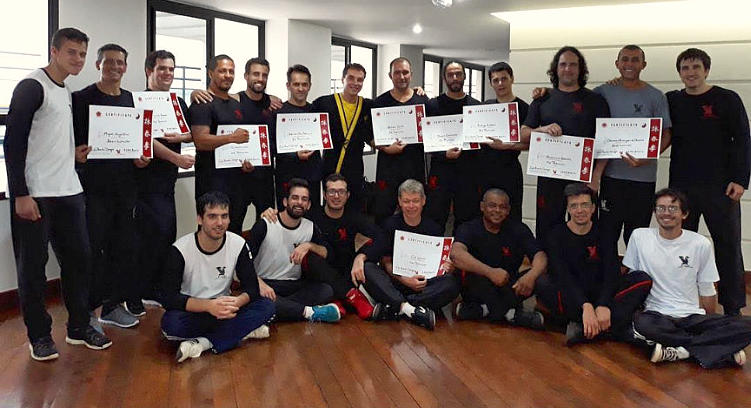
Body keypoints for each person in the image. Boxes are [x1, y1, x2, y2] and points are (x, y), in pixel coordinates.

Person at [3, 27, 112, 361]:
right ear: (54, 51)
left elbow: (47, 141)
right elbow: (13, 142)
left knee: (79, 262)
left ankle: (78, 327)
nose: (78, 59)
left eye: (82, 54)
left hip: (69, 191)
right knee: (33, 271)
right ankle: (39, 336)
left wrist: (72, 155)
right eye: (71, 52)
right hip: (36, 195)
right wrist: (21, 194)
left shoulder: (65, 90)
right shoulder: (32, 86)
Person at [666, 48, 750, 317]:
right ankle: (683, 301)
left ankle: (733, 307)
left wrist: (740, 180)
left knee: (728, 246)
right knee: (682, 246)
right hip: (682, 188)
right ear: (679, 73)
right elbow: (653, 124)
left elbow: (743, 140)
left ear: (706, 70)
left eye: (696, 67)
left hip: (721, 187)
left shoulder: (727, 99)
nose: (690, 73)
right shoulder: (672, 100)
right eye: (685, 68)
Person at [626, 189, 751, 368]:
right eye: (661, 208)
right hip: (657, 316)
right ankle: (716, 349)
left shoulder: (700, 243)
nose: (666, 213)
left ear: (684, 214)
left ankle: (682, 351)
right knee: (641, 325)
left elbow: (707, 288)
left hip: (692, 316)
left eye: (673, 208)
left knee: (746, 325)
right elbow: (634, 279)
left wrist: (708, 322)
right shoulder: (639, 237)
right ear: (654, 212)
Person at [73, 43, 149, 329]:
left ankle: (112, 306)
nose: (115, 67)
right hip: (93, 188)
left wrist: (141, 157)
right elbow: (71, 141)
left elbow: (139, 141)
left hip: (125, 188)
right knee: (94, 249)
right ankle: (89, 312)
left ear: (126, 67)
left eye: (120, 62)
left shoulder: (131, 100)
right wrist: (75, 153)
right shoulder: (82, 98)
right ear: (98, 65)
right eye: (109, 62)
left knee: (123, 247)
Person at [160, 191, 275, 363]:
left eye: (224, 216)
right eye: (212, 216)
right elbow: (169, 298)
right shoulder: (180, 250)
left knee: (267, 306)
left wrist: (237, 302)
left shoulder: (238, 244)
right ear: (200, 219)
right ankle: (242, 331)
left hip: (227, 308)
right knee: (171, 324)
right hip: (195, 310)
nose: (220, 223)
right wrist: (208, 306)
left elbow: (251, 288)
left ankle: (203, 343)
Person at [535, 184, 652, 345]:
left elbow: (611, 272)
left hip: (600, 294)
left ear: (593, 208)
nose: (580, 210)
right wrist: (586, 306)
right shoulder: (556, 235)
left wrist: (603, 304)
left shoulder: (605, 232)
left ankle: (586, 328)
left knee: (642, 279)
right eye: (574, 206)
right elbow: (563, 277)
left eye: (585, 205)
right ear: (568, 209)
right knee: (542, 282)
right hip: (573, 296)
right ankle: (610, 328)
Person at [260, 173, 382, 319]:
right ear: (324, 195)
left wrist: (361, 257)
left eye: (341, 192)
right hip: (316, 273)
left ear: (347, 195)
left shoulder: (354, 216)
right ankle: (351, 297)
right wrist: (269, 213)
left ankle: (282, 307)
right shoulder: (312, 216)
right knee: (311, 258)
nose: (336, 196)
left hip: (344, 272)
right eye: (332, 191)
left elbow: (382, 237)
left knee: (328, 288)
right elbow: (290, 214)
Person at [521, 46, 610, 244]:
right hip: (549, 178)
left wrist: (596, 177)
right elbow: (523, 133)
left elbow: (606, 142)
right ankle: (547, 263)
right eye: (563, 64)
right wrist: (542, 130)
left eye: (573, 65)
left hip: (583, 178)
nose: (567, 69)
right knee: (546, 228)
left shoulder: (595, 101)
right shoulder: (542, 99)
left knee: (584, 229)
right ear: (555, 69)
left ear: (580, 69)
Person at [591, 45, 672, 249]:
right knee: (607, 234)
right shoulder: (603, 92)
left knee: (637, 236)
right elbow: (575, 98)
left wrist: (649, 156)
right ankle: (608, 271)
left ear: (643, 65)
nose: (629, 64)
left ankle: (635, 271)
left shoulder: (656, 96)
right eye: (625, 59)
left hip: (643, 179)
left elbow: (666, 134)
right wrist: (547, 92)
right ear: (617, 64)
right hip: (611, 177)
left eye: (635, 60)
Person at [133, 50, 195, 313]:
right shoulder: (137, 100)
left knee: (167, 232)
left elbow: (191, 133)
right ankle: (146, 290)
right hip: (145, 181)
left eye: (171, 69)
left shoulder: (177, 101)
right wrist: (176, 157)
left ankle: (159, 286)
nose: (167, 73)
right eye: (162, 69)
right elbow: (142, 135)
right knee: (151, 234)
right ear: (149, 71)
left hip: (168, 181)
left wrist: (180, 139)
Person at [362, 179, 461, 330]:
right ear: (399, 202)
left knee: (451, 283)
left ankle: (398, 306)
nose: (411, 206)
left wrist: (447, 267)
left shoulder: (434, 228)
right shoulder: (389, 225)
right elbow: (386, 261)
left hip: (424, 285)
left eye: (415, 201)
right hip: (397, 281)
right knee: (368, 268)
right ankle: (412, 309)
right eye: (406, 201)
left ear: (423, 201)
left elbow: (440, 263)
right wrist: (404, 279)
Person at [450, 188, 547, 330]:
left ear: (508, 210)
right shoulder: (468, 227)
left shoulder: (519, 229)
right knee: (463, 273)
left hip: (509, 285)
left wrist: (531, 276)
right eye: (492, 206)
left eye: (502, 207)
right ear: (482, 207)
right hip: (479, 283)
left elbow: (540, 255)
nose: (497, 210)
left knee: (541, 278)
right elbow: (456, 254)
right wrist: (490, 272)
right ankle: (510, 313)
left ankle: (483, 310)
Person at [248, 178, 341, 322]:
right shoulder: (266, 224)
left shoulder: (310, 227)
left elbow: (328, 253)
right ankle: (308, 312)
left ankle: (279, 311)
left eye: (304, 199)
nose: (299, 202)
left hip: (293, 285)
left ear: (308, 205)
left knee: (326, 290)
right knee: (257, 296)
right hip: (266, 283)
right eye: (295, 198)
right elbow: (244, 262)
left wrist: (309, 245)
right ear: (285, 202)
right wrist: (259, 284)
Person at [189, 54, 254, 235]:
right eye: (222, 71)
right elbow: (200, 141)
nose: (227, 75)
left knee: (234, 230)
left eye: (231, 71)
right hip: (211, 183)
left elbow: (242, 141)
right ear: (210, 73)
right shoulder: (202, 102)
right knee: (210, 233)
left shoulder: (235, 104)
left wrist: (246, 162)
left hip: (237, 183)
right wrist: (231, 138)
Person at [371, 57, 430, 225]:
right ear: (390, 75)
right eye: (397, 73)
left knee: (414, 210)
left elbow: (431, 131)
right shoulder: (379, 102)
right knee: (383, 212)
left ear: (411, 74)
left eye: (405, 72)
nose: (402, 76)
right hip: (387, 168)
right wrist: (385, 148)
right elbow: (370, 137)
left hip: (414, 165)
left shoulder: (423, 101)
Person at [424, 61, 482, 232]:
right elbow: (426, 141)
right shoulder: (433, 105)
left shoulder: (475, 106)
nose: (455, 78)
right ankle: (434, 248)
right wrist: (444, 154)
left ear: (464, 76)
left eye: (458, 74)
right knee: (435, 216)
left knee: (466, 217)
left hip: (468, 171)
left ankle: (461, 249)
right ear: (444, 78)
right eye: (450, 75)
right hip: (441, 170)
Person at [312, 63, 374, 212]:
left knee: (354, 207)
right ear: (342, 79)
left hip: (355, 167)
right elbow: (303, 115)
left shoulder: (367, 106)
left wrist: (416, 92)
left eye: (360, 80)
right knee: (330, 207)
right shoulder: (324, 103)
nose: (355, 83)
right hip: (331, 164)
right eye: (351, 78)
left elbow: (390, 108)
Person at [480, 62, 529, 222]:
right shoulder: (485, 107)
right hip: (485, 170)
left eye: (504, 79)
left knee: (511, 214)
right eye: (496, 80)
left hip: (510, 170)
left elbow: (531, 143)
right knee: (485, 214)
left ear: (512, 79)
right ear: (491, 83)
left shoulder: (524, 108)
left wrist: (506, 146)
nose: (500, 83)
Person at [270, 64, 323, 210]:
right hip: (287, 175)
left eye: (304, 84)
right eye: (296, 84)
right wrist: (294, 155)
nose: (301, 88)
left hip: (312, 175)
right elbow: (271, 146)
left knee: (312, 215)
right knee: (287, 216)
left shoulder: (317, 111)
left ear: (310, 86)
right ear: (288, 86)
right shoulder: (277, 112)